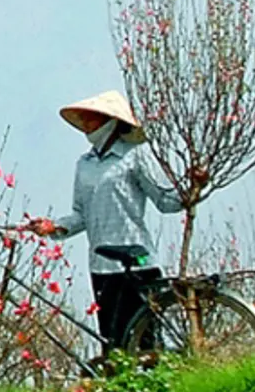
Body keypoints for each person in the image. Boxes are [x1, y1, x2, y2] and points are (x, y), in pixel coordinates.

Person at [21, 90, 207, 351]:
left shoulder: (136, 155)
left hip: (137, 260)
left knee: (146, 341)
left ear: (110, 121)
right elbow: (80, 214)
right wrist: (54, 226)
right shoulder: (84, 164)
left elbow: (166, 201)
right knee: (113, 342)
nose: (86, 124)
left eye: (92, 118)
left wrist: (193, 189)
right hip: (102, 264)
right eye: (84, 119)